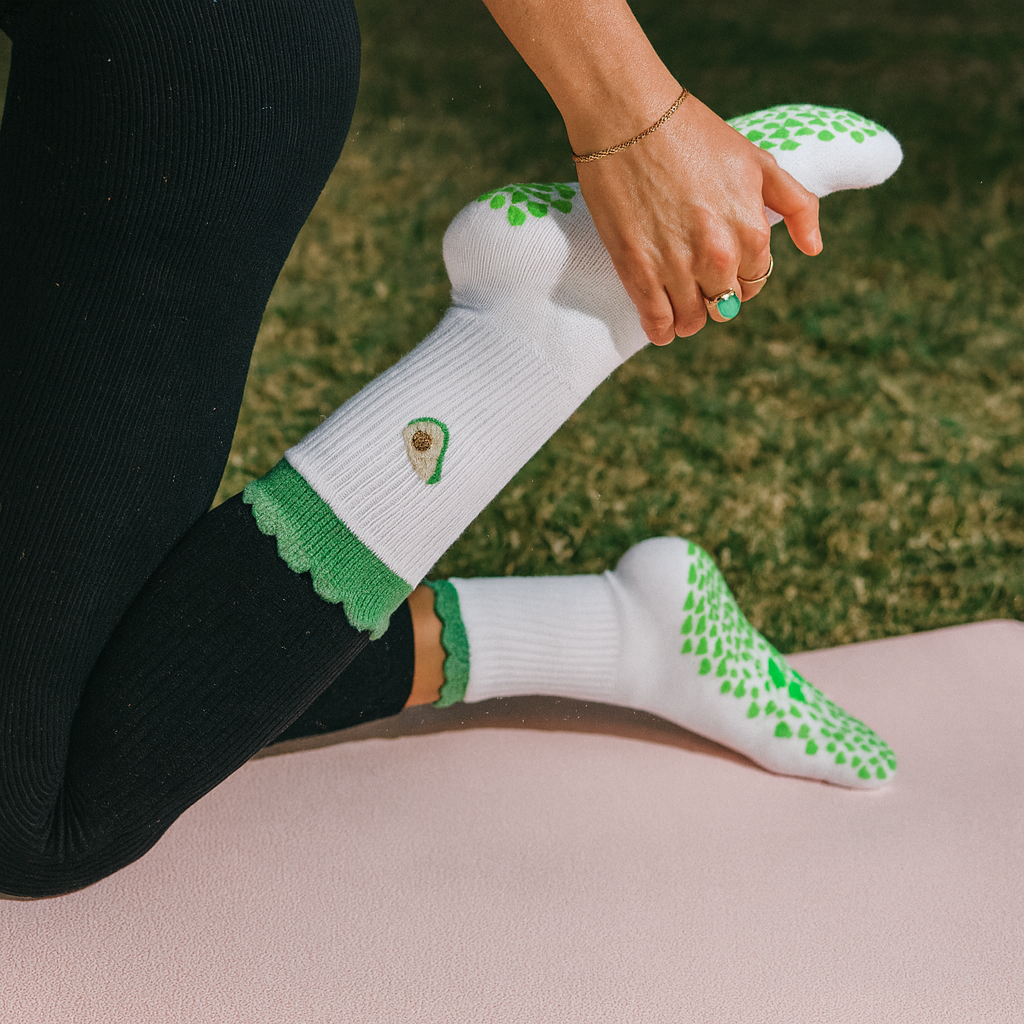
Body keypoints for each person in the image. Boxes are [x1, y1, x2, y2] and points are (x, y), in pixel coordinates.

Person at [0, 0, 896, 901]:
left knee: (28, 811)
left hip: (178, 56)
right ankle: (613, 632)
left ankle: (531, 332)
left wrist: (635, 121)